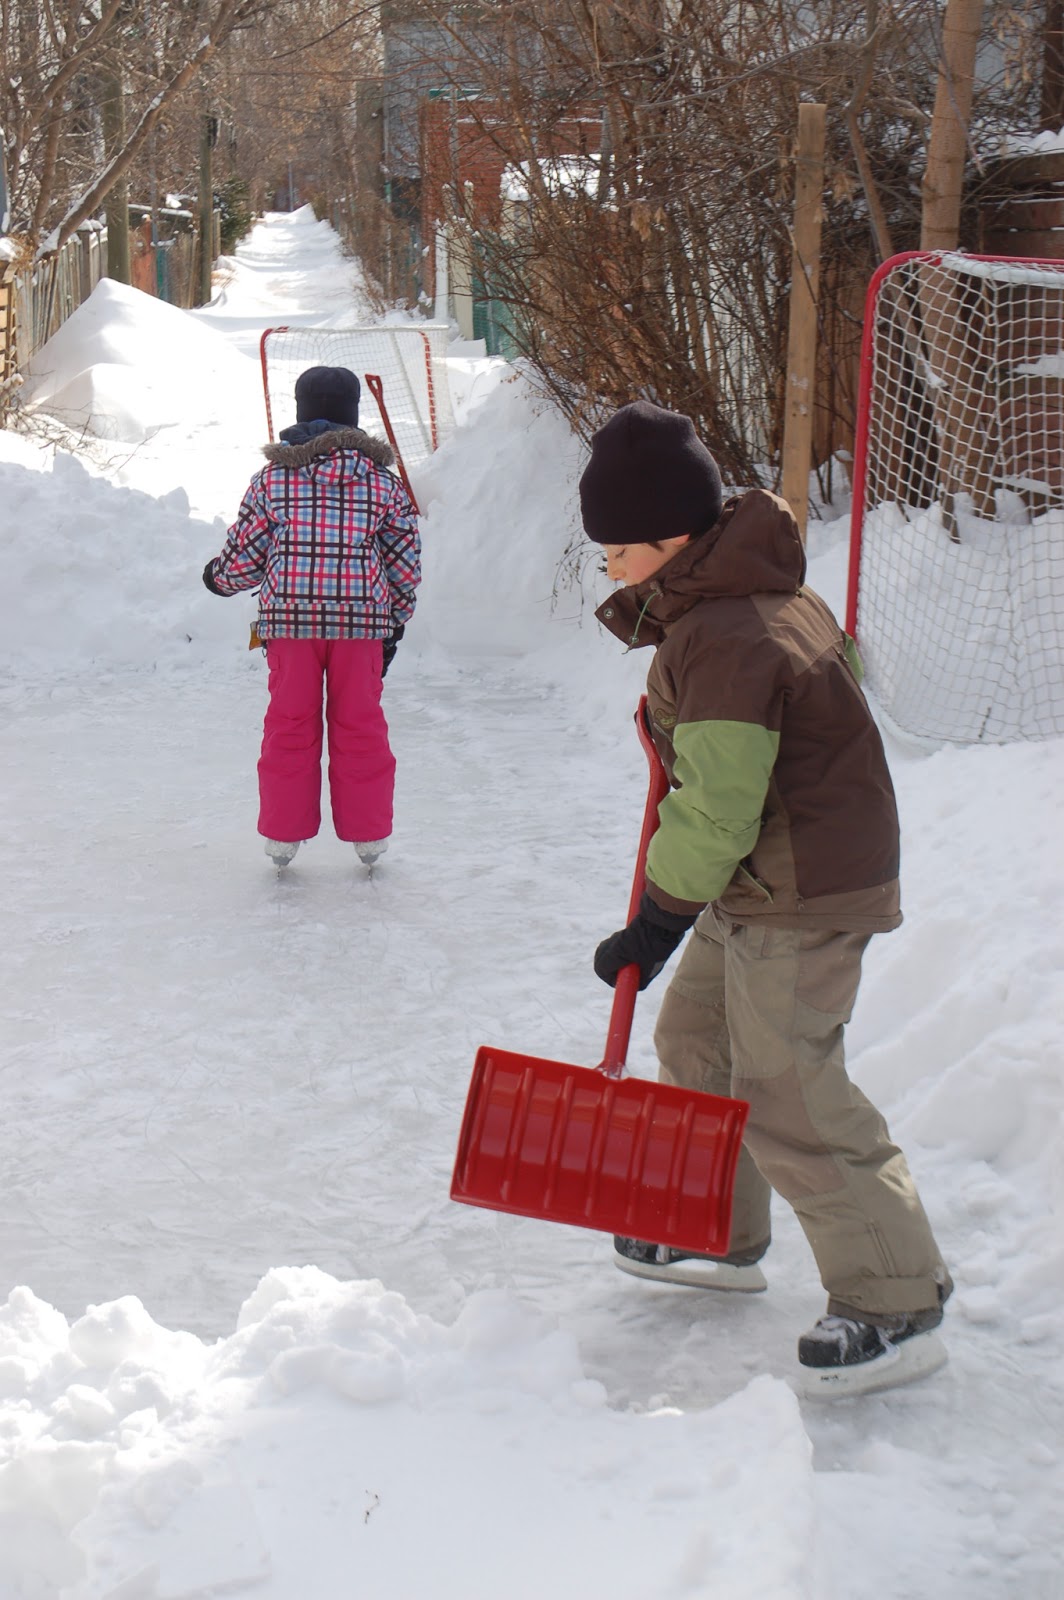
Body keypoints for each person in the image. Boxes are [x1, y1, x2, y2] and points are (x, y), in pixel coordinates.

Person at [581, 399, 951, 1395]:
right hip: (770, 873)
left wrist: (655, 919)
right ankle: (713, 1230)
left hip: (800, 885)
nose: (609, 568)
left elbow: (719, 810)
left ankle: (893, 1299)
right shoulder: (738, 600)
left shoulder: (728, 637)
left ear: (668, 541)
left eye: (617, 549)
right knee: (697, 1036)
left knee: (785, 1081)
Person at [202, 365, 420, 869]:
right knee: (361, 724)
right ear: (354, 416)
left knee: (290, 723)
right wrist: (396, 619)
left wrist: (219, 577)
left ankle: (283, 834)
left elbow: (246, 557)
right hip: (362, 627)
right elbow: (404, 562)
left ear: (299, 414)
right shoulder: (382, 485)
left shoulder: (272, 479)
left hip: (289, 626)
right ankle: (368, 835)